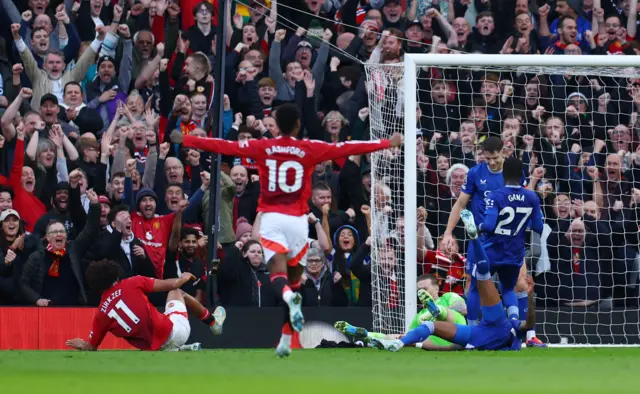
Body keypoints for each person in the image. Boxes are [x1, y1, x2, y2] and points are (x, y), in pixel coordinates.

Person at [170, 103, 402, 357]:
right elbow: (347, 148)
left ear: (277, 125)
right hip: (298, 221)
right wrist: (385, 143)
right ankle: (286, 338)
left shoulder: (263, 146)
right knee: (295, 281)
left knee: (278, 276)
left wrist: (188, 139)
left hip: (272, 217)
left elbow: (226, 146)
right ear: (298, 125)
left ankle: (288, 314)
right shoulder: (309, 148)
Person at [371, 212, 535, 352]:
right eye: (445, 243)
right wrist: (529, 299)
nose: (448, 247)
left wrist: (529, 299)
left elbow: (527, 322)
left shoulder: (458, 269)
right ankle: (389, 340)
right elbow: (528, 323)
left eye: (425, 288)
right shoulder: (435, 259)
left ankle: (403, 338)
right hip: (484, 329)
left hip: (478, 330)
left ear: (436, 288)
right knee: (430, 326)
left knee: (479, 278)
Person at [440, 137, 544, 347]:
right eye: (487, 159)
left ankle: (529, 335)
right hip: (481, 241)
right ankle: (473, 331)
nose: (492, 163)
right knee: (474, 284)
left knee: (519, 283)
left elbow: (523, 197)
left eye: (495, 158)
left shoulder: (514, 173)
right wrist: (448, 233)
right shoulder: (476, 173)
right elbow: (461, 203)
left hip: (510, 240)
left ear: (503, 152)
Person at [65, 259, 226, 351]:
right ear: (114, 274)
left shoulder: (101, 313)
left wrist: (83, 345)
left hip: (153, 350)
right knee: (178, 292)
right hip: (175, 333)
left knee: (161, 323)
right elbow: (172, 284)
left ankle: (181, 349)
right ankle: (214, 323)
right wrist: (184, 277)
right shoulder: (132, 282)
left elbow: (92, 347)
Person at [478, 157, 544, 321]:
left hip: (493, 251)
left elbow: (489, 226)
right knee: (508, 289)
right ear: (522, 174)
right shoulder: (532, 197)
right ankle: (514, 321)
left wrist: (477, 227)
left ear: (503, 174)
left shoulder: (495, 196)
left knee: (477, 288)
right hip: (515, 252)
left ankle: (481, 326)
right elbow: (538, 227)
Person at [335, 274, 467, 349]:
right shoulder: (420, 315)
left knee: (449, 317)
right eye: (419, 291)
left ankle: (438, 311)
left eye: (425, 289)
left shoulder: (448, 296)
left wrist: (439, 314)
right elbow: (408, 335)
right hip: (440, 344)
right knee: (405, 338)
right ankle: (366, 334)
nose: (422, 293)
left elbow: (462, 310)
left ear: (437, 288)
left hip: (459, 332)